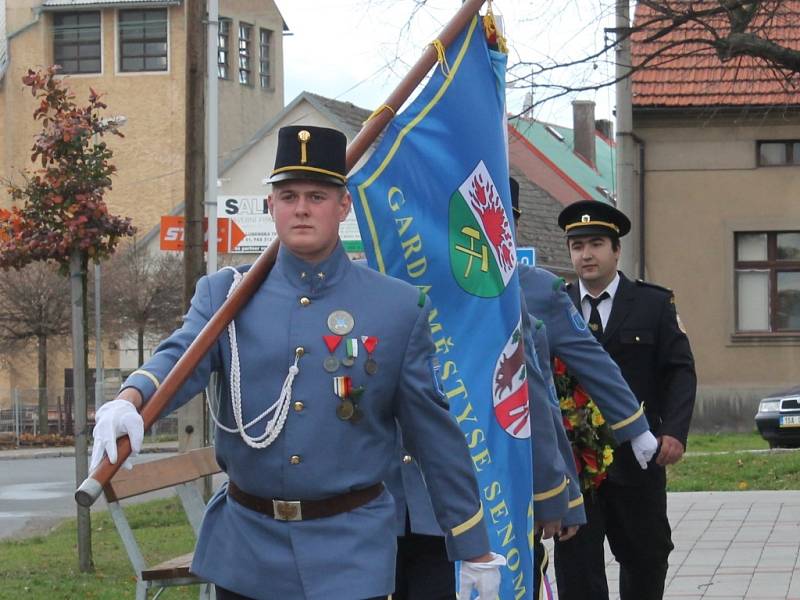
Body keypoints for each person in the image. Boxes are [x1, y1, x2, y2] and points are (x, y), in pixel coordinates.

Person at [90, 125, 504, 600]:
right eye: (288, 195)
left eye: (317, 195)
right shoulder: (225, 296)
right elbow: (182, 354)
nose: (302, 208)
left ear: (342, 206)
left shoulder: (395, 308)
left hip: (349, 551)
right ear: (271, 206)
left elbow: (435, 438)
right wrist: (132, 397)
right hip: (247, 549)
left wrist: (472, 546)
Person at [511, 176, 658, 599]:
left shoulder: (539, 289)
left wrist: (636, 428)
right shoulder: (431, 285)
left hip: (519, 458)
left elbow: (594, 362)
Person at [552, 199, 697, 600]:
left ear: (616, 250)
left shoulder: (653, 304)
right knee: (577, 566)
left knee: (646, 556)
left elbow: (680, 372)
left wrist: (673, 432)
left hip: (638, 457)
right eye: (577, 246)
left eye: (596, 243)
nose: (586, 254)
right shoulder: (554, 306)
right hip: (575, 464)